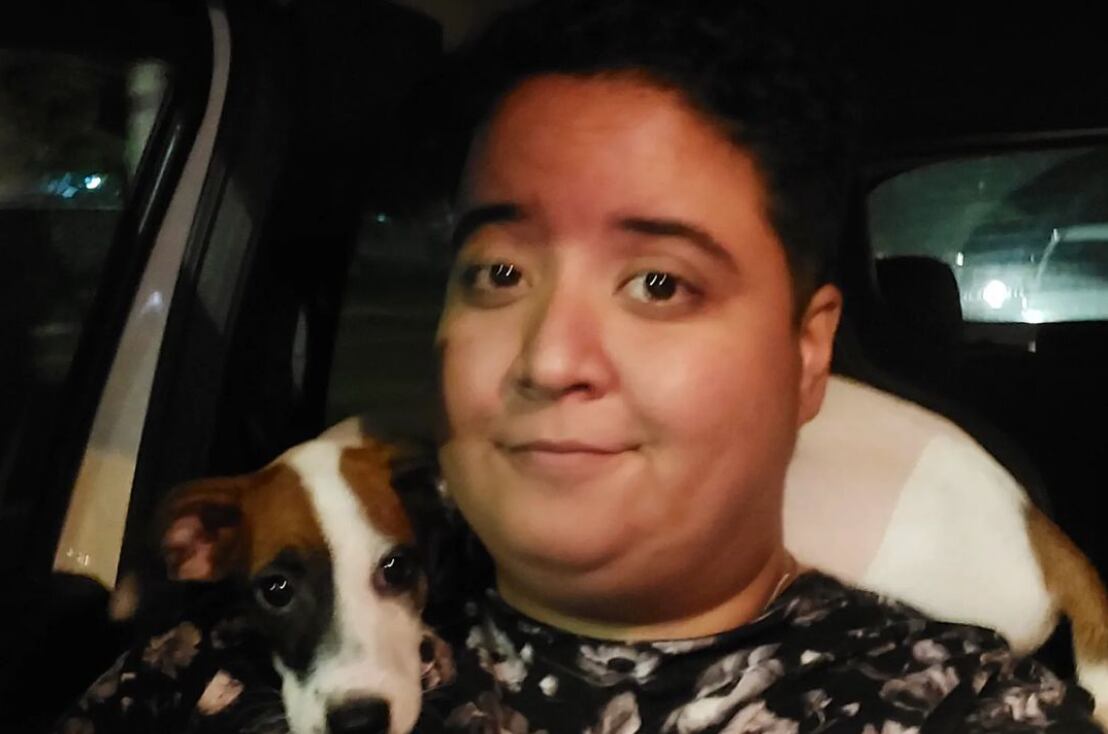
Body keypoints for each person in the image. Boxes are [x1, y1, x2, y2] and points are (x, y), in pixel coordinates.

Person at [58, 1, 1100, 732]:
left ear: (805, 351)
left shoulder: (956, 706)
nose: (549, 357)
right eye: (499, 272)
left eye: (658, 282)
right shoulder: (193, 667)